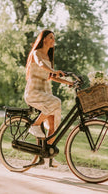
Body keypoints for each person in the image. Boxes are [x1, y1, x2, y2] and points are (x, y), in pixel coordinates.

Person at [24, 30, 73, 167]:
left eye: (54, 38)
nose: (53, 40)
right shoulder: (36, 53)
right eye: (51, 37)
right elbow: (40, 64)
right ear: (44, 39)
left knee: (54, 126)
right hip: (34, 92)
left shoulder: (49, 57)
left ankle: (47, 156)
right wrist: (52, 70)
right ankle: (34, 125)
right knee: (57, 102)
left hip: (45, 92)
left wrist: (69, 83)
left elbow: (52, 77)